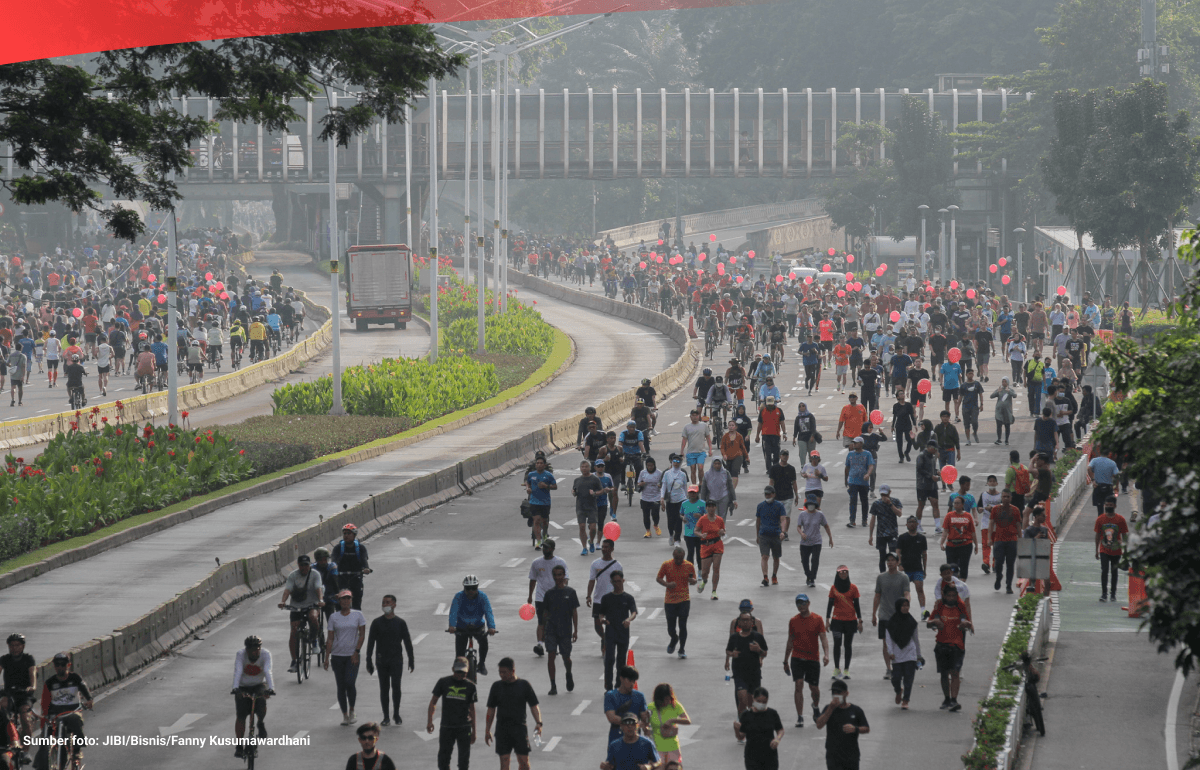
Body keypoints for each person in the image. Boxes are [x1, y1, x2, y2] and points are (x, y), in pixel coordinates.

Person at [365, 594, 414, 726]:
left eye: (388, 602)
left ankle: (396, 714)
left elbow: (407, 642)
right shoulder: (376, 623)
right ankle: (386, 716)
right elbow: (370, 643)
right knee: (384, 688)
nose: (385, 605)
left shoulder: (400, 623)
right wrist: (368, 660)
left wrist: (411, 658)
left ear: (394, 605)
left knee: (396, 687)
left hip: (396, 660)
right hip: (382, 660)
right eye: (383, 603)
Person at [484, 658, 542, 770]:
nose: (501, 675)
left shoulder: (524, 685)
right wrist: (487, 729)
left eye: (504, 672)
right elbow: (491, 710)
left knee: (524, 764)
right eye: (500, 672)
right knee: (504, 764)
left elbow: (534, 706)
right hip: (502, 730)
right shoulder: (496, 687)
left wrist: (539, 723)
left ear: (513, 671)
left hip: (519, 730)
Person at [39, 652, 93, 770]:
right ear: (54, 666)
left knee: (76, 719)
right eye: (57, 665)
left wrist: (89, 700)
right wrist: (46, 715)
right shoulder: (50, 683)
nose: (60, 667)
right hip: (56, 715)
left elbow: (84, 689)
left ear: (68, 665)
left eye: (63, 665)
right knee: (57, 739)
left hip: (73, 712)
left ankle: (76, 752)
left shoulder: (75, 678)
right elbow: (44, 702)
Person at [783, 594, 829, 728]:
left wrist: (826, 655)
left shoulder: (817, 619)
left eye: (803, 603)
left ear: (808, 603)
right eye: (798, 604)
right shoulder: (793, 621)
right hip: (797, 658)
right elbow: (790, 641)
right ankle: (800, 716)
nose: (800, 606)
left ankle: (815, 706)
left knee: (814, 687)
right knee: (798, 684)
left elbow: (823, 638)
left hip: (813, 659)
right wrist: (785, 661)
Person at [927, 584, 973, 712]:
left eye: (954, 595)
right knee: (943, 673)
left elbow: (967, 622)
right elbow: (929, 623)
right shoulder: (939, 606)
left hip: (957, 645)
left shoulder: (960, 606)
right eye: (949, 595)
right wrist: (934, 623)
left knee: (955, 672)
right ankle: (947, 698)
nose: (951, 598)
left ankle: (954, 699)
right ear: (944, 595)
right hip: (942, 644)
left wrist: (966, 624)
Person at [325, 589, 368, 725]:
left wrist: (356, 651)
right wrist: (326, 657)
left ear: (351, 600)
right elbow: (330, 638)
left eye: (348, 599)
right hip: (337, 655)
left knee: (350, 682)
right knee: (341, 686)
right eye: (343, 599)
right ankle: (344, 714)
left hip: (352, 655)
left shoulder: (358, 615)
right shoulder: (334, 617)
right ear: (339, 601)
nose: (345, 601)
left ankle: (352, 710)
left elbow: (362, 635)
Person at [428, 658, 478, 770]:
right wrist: (430, 721)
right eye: (458, 672)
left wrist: (474, 731)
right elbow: (433, 702)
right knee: (443, 761)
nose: (460, 675)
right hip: (447, 727)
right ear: (452, 669)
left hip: (464, 728)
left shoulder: (471, 686)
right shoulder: (443, 682)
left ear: (468, 671)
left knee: (464, 763)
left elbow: (472, 710)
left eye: (463, 672)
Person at [278, 554, 324, 674]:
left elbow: (318, 588)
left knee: (313, 617)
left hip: (312, 604)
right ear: (298, 565)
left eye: (306, 565)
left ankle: (314, 640)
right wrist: (283, 601)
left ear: (310, 565)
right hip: (296, 606)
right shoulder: (293, 575)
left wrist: (321, 600)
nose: (304, 567)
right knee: (294, 630)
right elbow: (287, 589)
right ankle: (294, 660)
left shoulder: (315, 574)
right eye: (301, 565)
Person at [231, 635, 274, 759]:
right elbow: (238, 671)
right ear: (247, 650)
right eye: (252, 650)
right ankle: (239, 746)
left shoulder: (266, 654)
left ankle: (260, 723)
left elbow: (267, 671)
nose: (255, 653)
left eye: (257, 649)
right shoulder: (240, 654)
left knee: (261, 703)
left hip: (259, 685)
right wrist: (235, 688)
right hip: (243, 686)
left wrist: (271, 689)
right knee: (241, 715)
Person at [871, 552, 910, 680]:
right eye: (888, 560)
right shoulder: (881, 577)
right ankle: (889, 668)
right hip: (884, 615)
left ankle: (898, 667)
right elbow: (877, 596)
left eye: (893, 560)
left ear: (898, 562)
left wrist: (906, 605)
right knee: (886, 644)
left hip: (898, 616)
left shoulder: (903, 577)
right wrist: (873, 614)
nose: (890, 562)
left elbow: (906, 593)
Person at [815, 679, 869, 770]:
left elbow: (866, 728)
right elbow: (819, 725)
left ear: (846, 693)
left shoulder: (856, 710)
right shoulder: (828, 708)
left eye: (839, 692)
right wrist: (831, 709)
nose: (836, 695)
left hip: (851, 755)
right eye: (834, 692)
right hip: (833, 755)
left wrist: (855, 729)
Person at [527, 539, 569, 658]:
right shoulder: (536, 562)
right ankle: (540, 644)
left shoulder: (560, 562)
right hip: (541, 597)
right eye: (543, 547)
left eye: (547, 547)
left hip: (556, 597)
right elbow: (533, 579)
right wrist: (530, 595)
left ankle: (553, 645)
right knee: (542, 621)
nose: (544, 550)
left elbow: (566, 579)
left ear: (552, 549)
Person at [449, 575, 497, 676]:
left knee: (484, 643)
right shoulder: (458, 596)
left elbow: (488, 612)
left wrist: (491, 627)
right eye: (468, 588)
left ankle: (482, 664)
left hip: (478, 626)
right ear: (464, 588)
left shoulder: (483, 597)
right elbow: (453, 612)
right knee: (459, 654)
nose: (471, 591)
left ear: (477, 587)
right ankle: (459, 673)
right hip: (462, 626)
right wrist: (452, 626)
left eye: (474, 588)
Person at [599, 572, 639, 691]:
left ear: (623, 581)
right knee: (609, 659)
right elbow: (601, 613)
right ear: (611, 582)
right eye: (614, 581)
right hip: (610, 632)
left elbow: (634, 612)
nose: (617, 584)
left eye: (619, 581)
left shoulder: (628, 598)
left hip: (623, 632)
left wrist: (628, 619)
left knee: (621, 661)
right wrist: (603, 619)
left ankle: (618, 685)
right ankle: (608, 687)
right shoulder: (606, 598)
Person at [656, 546, 697, 658]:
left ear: (684, 557)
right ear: (673, 556)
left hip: (684, 599)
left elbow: (694, 580)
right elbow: (658, 578)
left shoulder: (689, 565)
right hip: (670, 600)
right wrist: (667, 584)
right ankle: (674, 638)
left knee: (683, 625)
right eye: (676, 558)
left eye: (680, 558)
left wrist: (692, 581)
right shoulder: (666, 565)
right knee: (671, 627)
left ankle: (682, 649)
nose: (678, 560)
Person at [726, 612, 770, 715]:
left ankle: (751, 722)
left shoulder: (758, 637)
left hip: (754, 673)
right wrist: (732, 654)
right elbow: (728, 650)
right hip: (739, 673)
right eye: (743, 620)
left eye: (747, 620)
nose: (745, 622)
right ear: (739, 623)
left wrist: (758, 650)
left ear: (752, 622)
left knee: (752, 703)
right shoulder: (734, 637)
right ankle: (741, 722)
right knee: (742, 698)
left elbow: (765, 652)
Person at [734, 687, 785, 770]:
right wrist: (736, 729)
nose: (761, 704)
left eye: (764, 702)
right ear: (753, 699)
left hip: (770, 755)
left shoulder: (772, 714)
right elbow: (741, 736)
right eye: (758, 701)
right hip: (752, 757)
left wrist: (777, 739)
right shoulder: (746, 715)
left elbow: (780, 730)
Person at [884, 599, 921, 709]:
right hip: (896, 654)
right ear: (898, 607)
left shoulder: (912, 622)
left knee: (908, 679)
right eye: (903, 606)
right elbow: (888, 639)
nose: (905, 608)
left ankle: (906, 700)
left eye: (907, 606)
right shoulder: (891, 623)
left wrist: (919, 656)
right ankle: (898, 690)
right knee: (895, 678)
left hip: (910, 653)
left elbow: (916, 640)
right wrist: (890, 652)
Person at [826, 566, 862, 679]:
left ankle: (846, 670)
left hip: (850, 621)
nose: (843, 574)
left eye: (845, 572)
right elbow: (830, 604)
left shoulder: (853, 588)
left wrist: (860, 620)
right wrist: (827, 620)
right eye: (841, 572)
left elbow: (857, 605)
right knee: (837, 644)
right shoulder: (833, 588)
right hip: (836, 621)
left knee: (847, 645)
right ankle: (837, 668)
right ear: (837, 574)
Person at [588, 539, 623, 649]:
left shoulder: (617, 565)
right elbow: (592, 580)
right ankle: (604, 638)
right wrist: (588, 595)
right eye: (603, 547)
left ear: (612, 548)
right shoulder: (595, 563)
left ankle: (607, 641)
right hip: (599, 599)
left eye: (607, 547)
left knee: (611, 624)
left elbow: (620, 583)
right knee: (597, 624)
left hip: (613, 599)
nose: (604, 549)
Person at [1, 634, 36, 741]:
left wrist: (32, 686)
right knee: (2, 708)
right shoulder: (4, 659)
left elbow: (32, 674)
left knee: (25, 718)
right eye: (12, 646)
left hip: (24, 694)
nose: (15, 648)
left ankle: (25, 748)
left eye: (18, 645)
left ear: (23, 646)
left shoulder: (28, 659)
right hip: (9, 693)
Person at [1095, 496, 1129, 603]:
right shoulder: (1100, 519)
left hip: (1116, 550)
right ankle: (1104, 593)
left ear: (1115, 506)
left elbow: (1124, 535)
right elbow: (1097, 535)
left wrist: (1126, 550)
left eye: (1110, 505)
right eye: (1107, 505)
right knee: (1104, 570)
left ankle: (1113, 594)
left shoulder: (1120, 519)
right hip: (1103, 549)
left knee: (1114, 572)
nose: (1108, 507)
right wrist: (1096, 550)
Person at [331, 523, 373, 610]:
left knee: (357, 603)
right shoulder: (338, 548)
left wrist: (366, 569)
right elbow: (334, 561)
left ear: (354, 535)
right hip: (341, 577)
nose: (346, 535)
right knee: (338, 603)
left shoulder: (360, 548)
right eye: (344, 533)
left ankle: (358, 622)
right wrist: (333, 568)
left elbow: (364, 560)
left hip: (356, 578)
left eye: (348, 533)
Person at [604, 666, 650, 744]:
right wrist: (633, 723)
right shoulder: (611, 696)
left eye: (634, 681)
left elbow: (644, 718)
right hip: (616, 739)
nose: (632, 684)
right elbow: (612, 717)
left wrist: (647, 718)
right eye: (629, 680)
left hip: (636, 741)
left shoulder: (639, 696)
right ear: (621, 678)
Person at [647, 683, 690, 767]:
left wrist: (672, 720)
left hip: (673, 746)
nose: (667, 702)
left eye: (668, 699)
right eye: (665, 699)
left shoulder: (675, 705)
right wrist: (646, 729)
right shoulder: (651, 707)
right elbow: (644, 723)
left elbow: (687, 720)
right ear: (658, 699)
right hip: (657, 747)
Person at [988, 492, 1023, 595]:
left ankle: (1008, 585)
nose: (1006, 498)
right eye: (1004, 497)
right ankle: (999, 576)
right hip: (999, 540)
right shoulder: (995, 509)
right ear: (1001, 498)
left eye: (1008, 497)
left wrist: (1021, 539)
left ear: (1011, 498)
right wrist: (989, 538)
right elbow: (991, 524)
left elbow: (1018, 525)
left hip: (1012, 540)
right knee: (998, 562)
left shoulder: (1015, 510)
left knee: (1010, 564)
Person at [796, 498, 832, 588]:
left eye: (812, 504)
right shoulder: (802, 514)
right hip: (805, 542)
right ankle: (808, 575)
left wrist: (830, 538)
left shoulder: (820, 515)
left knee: (815, 560)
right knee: (804, 561)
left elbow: (826, 526)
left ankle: (812, 578)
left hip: (817, 541)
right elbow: (798, 527)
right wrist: (801, 533)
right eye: (809, 504)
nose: (811, 506)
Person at [940, 496, 977, 580]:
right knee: (951, 567)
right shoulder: (949, 516)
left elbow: (973, 532)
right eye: (955, 503)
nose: (956, 505)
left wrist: (976, 545)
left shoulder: (968, 516)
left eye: (958, 503)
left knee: (964, 566)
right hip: (951, 545)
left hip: (965, 545)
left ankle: (962, 585)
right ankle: (953, 585)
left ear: (962, 505)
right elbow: (945, 531)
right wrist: (942, 542)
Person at [696, 499, 727, 599]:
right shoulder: (702, 519)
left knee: (716, 569)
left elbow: (723, 531)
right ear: (706, 508)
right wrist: (701, 535)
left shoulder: (719, 520)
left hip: (717, 545)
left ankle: (714, 591)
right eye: (709, 506)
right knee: (705, 571)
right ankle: (704, 581)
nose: (711, 508)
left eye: (712, 506)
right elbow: (696, 531)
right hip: (705, 546)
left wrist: (722, 533)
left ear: (715, 508)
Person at [524, 456, 558, 548]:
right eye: (537, 463)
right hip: (534, 501)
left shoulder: (548, 475)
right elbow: (527, 482)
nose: (539, 465)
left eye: (541, 463)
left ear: (544, 465)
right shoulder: (531, 474)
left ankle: (545, 534)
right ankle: (538, 541)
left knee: (544, 521)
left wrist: (546, 486)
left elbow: (555, 486)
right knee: (536, 520)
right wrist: (528, 488)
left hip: (545, 502)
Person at [867, 486, 902, 572]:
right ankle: (883, 575)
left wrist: (890, 504)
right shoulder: (876, 504)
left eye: (885, 494)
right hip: (881, 534)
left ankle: (893, 573)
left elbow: (899, 513)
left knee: (893, 555)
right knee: (882, 556)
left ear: (890, 492)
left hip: (892, 533)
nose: (884, 496)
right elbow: (873, 520)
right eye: (882, 494)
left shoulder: (895, 501)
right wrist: (870, 535)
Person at [756, 485, 786, 586]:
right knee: (764, 556)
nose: (767, 496)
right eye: (766, 494)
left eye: (769, 494)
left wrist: (783, 531)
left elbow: (783, 519)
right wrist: (757, 535)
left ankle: (774, 575)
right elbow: (758, 521)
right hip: (764, 535)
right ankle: (765, 577)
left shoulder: (779, 506)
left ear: (774, 494)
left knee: (776, 557)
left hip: (776, 535)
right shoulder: (760, 506)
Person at [573, 459, 604, 555]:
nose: (584, 468)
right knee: (582, 527)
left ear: (590, 468)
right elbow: (574, 491)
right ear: (580, 468)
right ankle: (584, 547)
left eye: (586, 466)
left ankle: (591, 542)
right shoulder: (577, 480)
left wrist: (594, 493)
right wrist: (573, 492)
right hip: (580, 506)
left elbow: (601, 491)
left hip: (592, 507)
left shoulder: (595, 479)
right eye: (582, 467)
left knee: (593, 527)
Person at [843, 437, 875, 528]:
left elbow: (871, 466)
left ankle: (864, 520)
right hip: (853, 481)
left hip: (863, 482)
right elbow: (847, 467)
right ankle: (852, 520)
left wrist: (868, 474)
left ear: (861, 444)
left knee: (864, 501)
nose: (854, 444)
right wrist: (846, 479)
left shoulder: (867, 454)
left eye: (856, 443)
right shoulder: (850, 454)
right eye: (853, 443)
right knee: (853, 501)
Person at [661, 455, 690, 546]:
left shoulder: (683, 474)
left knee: (679, 520)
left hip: (681, 499)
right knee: (670, 520)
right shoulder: (667, 473)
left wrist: (687, 500)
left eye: (678, 462)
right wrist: (662, 498)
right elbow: (664, 486)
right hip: (670, 500)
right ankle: (671, 534)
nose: (676, 463)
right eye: (674, 461)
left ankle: (677, 539)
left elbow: (685, 487)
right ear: (671, 462)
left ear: (680, 463)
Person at [680, 409, 713, 484]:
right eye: (693, 416)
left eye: (696, 415)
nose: (695, 417)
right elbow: (684, 440)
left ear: (699, 416)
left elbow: (708, 438)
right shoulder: (687, 427)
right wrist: (681, 451)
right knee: (693, 469)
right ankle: (694, 485)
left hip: (701, 452)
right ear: (690, 417)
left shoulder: (704, 426)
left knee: (700, 468)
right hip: (691, 452)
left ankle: (701, 483)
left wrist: (710, 449)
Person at [754, 396, 787, 469]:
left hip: (776, 435)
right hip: (766, 436)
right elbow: (760, 424)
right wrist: (757, 435)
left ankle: (775, 467)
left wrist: (784, 433)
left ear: (774, 403)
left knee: (776, 453)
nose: (770, 406)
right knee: (767, 454)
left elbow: (782, 423)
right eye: (768, 404)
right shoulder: (763, 411)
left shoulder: (779, 411)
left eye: (771, 404)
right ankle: (769, 469)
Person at [637, 456, 665, 539]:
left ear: (654, 465)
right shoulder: (643, 473)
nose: (650, 467)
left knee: (655, 514)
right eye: (648, 465)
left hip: (656, 497)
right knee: (646, 515)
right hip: (645, 497)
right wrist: (641, 484)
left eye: (651, 465)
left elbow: (663, 484)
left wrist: (660, 485)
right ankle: (648, 531)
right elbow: (638, 482)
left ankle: (656, 525)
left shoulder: (659, 473)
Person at [1087, 452, 1121, 518]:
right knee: (1109, 505)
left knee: (1100, 507)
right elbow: (1117, 475)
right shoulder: (1112, 463)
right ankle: (1108, 519)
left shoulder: (1094, 460)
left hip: (1098, 486)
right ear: (1109, 454)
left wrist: (1093, 480)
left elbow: (1088, 468)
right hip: (1108, 487)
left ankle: (1100, 520)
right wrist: (1116, 487)